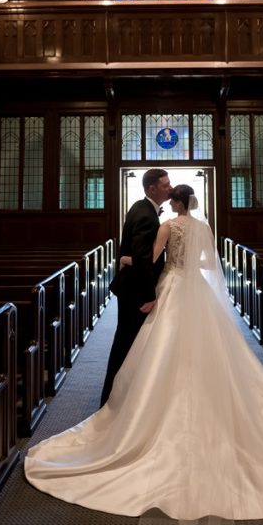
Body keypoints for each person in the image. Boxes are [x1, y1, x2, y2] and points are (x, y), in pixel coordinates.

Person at [24, 185, 263, 519]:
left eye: (172, 199)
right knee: (207, 348)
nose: (169, 202)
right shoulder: (204, 227)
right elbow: (207, 262)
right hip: (195, 289)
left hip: (172, 287)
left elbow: (152, 259)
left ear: (177, 202)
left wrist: (126, 258)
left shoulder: (170, 226)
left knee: (161, 348)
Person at [100, 167, 172, 406]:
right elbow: (142, 259)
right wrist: (150, 296)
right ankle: (113, 399)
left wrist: (123, 259)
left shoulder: (141, 208)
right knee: (127, 344)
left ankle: (118, 396)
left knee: (127, 342)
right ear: (152, 188)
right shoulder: (145, 215)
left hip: (131, 287)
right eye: (165, 185)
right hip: (136, 292)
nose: (169, 188)